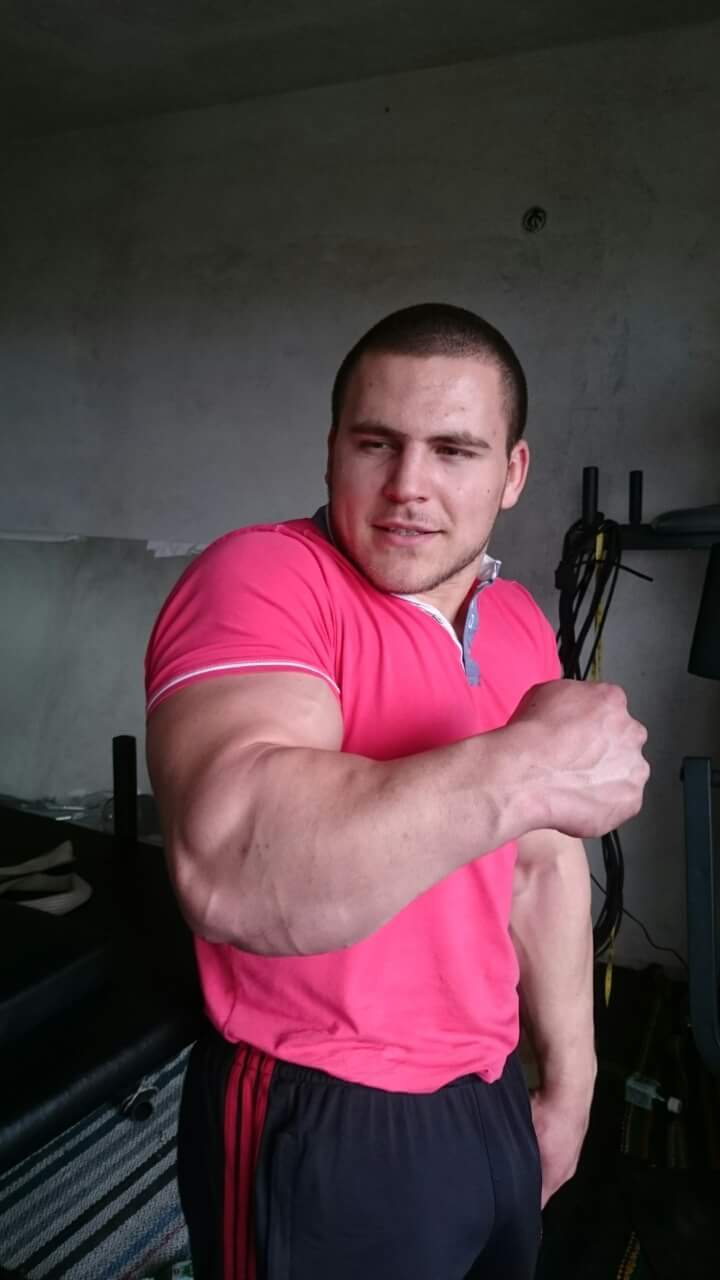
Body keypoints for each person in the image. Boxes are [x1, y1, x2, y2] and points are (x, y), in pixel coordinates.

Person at [145, 303, 649, 1280]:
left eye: (454, 451)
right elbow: (233, 862)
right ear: (332, 448)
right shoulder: (264, 576)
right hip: (320, 1107)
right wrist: (530, 762)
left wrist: (572, 1084)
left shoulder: (516, 619)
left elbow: (541, 866)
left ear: (513, 472)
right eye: (376, 443)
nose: (407, 485)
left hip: (488, 1091)